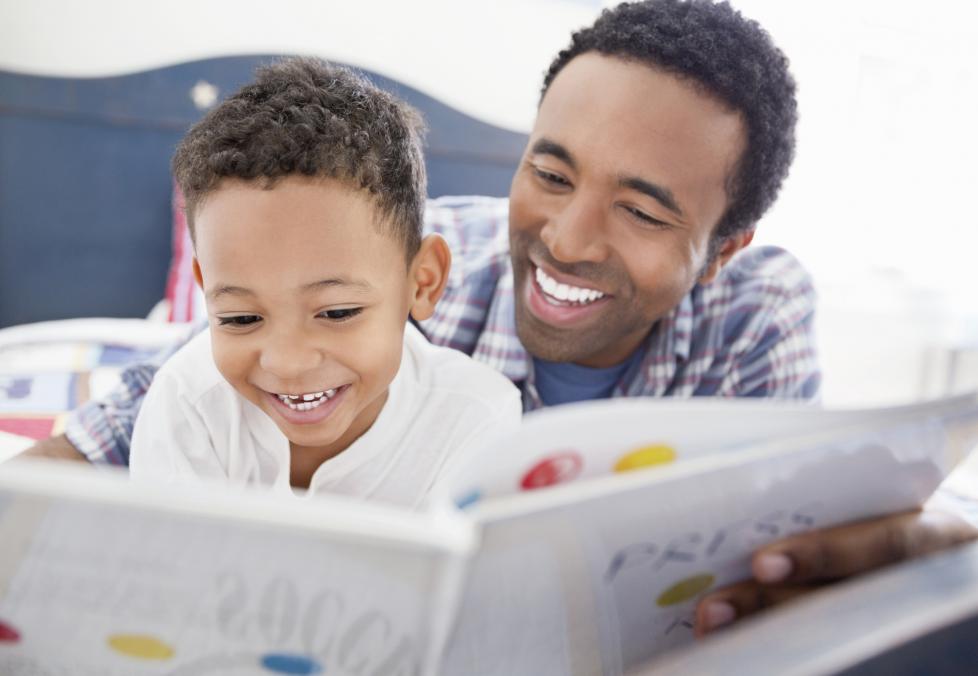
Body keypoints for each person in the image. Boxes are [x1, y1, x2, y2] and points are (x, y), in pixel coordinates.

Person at [21, 0, 977, 634]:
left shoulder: (756, 315)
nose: (566, 237)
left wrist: (916, 556)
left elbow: (803, 533)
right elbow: (147, 408)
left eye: (642, 211)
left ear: (723, 246)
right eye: (550, 172)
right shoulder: (409, 256)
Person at [127, 58, 522, 508]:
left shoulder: (476, 421)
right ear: (204, 291)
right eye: (241, 318)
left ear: (423, 281)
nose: (288, 363)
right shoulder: (188, 404)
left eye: (336, 312)